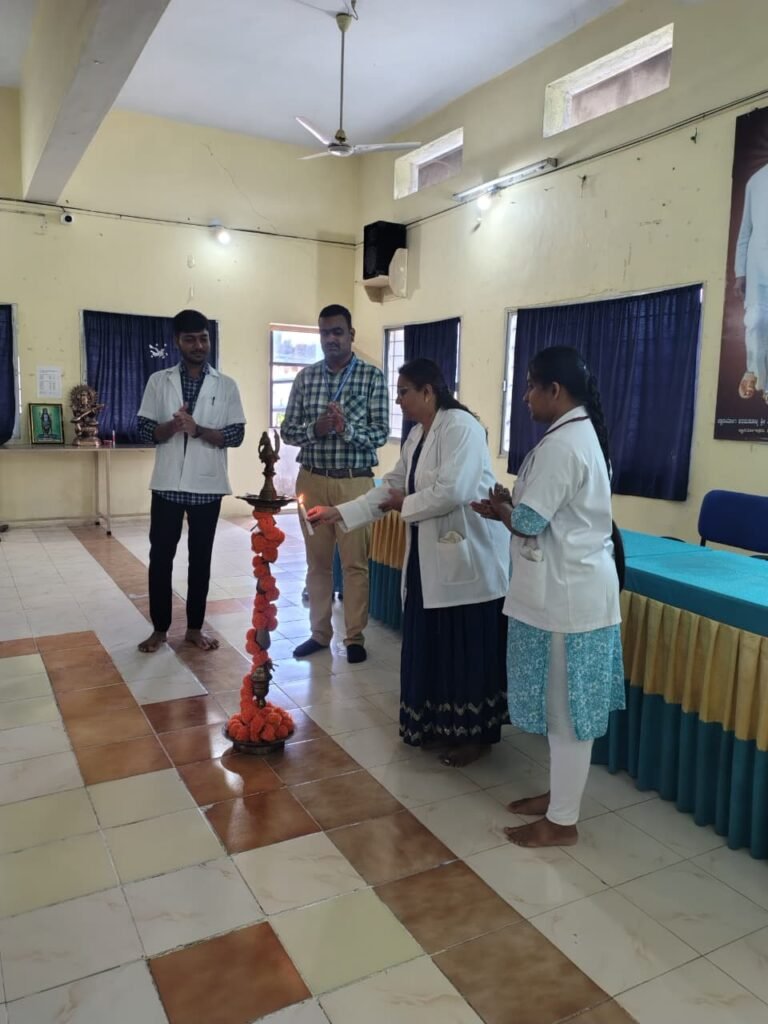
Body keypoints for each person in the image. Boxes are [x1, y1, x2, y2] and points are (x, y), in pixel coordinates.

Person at [310, 358, 509, 766]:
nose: (398, 401)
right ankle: (437, 725)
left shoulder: (462, 428)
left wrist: (405, 504)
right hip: (426, 558)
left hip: (467, 559)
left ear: (428, 391)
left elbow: (454, 491)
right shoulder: (418, 434)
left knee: (462, 648)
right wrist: (339, 513)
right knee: (431, 644)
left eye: (403, 392)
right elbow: (391, 487)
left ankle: (475, 736)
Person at [473, 346, 624, 846]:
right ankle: (560, 796)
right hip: (567, 590)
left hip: (569, 599)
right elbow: (543, 514)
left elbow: (531, 522)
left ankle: (562, 822)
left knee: (568, 716)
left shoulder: (565, 443)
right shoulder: (574, 434)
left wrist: (503, 511)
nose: (525, 397)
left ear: (554, 390)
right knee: (560, 710)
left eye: (530, 386)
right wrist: (507, 505)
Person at [280, 304, 388, 664]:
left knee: (355, 564)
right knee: (318, 564)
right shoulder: (306, 378)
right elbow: (288, 431)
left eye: (338, 332)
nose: (331, 339)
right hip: (312, 481)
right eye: (325, 333)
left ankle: (354, 637)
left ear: (351, 334)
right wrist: (316, 429)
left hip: (354, 484)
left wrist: (346, 429)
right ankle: (319, 634)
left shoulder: (371, 377)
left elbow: (380, 433)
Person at [136, 309, 246, 653]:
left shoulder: (226, 385)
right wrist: (173, 426)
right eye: (190, 339)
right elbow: (143, 430)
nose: (198, 345)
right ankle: (159, 630)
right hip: (167, 486)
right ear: (177, 342)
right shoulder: (159, 381)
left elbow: (236, 434)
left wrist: (197, 429)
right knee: (161, 559)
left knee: (201, 560)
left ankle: (195, 628)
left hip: (207, 487)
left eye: (203, 338)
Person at [734, 162, 768, 402]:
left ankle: (764, 382)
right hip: (757, 265)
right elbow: (745, 231)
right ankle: (753, 370)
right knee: (756, 322)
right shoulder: (756, 181)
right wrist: (740, 273)